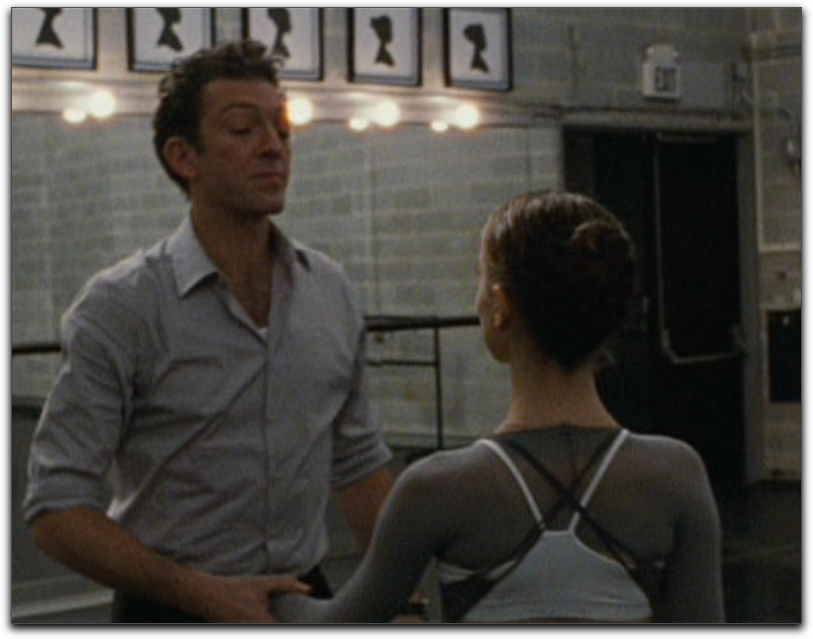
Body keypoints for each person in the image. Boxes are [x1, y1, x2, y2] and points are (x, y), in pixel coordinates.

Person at [23, 40, 394, 623]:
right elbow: (56, 508)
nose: (273, 147)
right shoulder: (122, 306)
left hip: (302, 597)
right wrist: (200, 593)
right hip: (168, 608)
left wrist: (401, 602)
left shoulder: (330, 291)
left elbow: (357, 462)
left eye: (281, 129)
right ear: (183, 157)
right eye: (243, 129)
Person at [269, 190, 725, 623]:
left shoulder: (437, 488)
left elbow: (337, 622)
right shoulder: (676, 476)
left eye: (481, 277)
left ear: (500, 305)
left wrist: (254, 592)